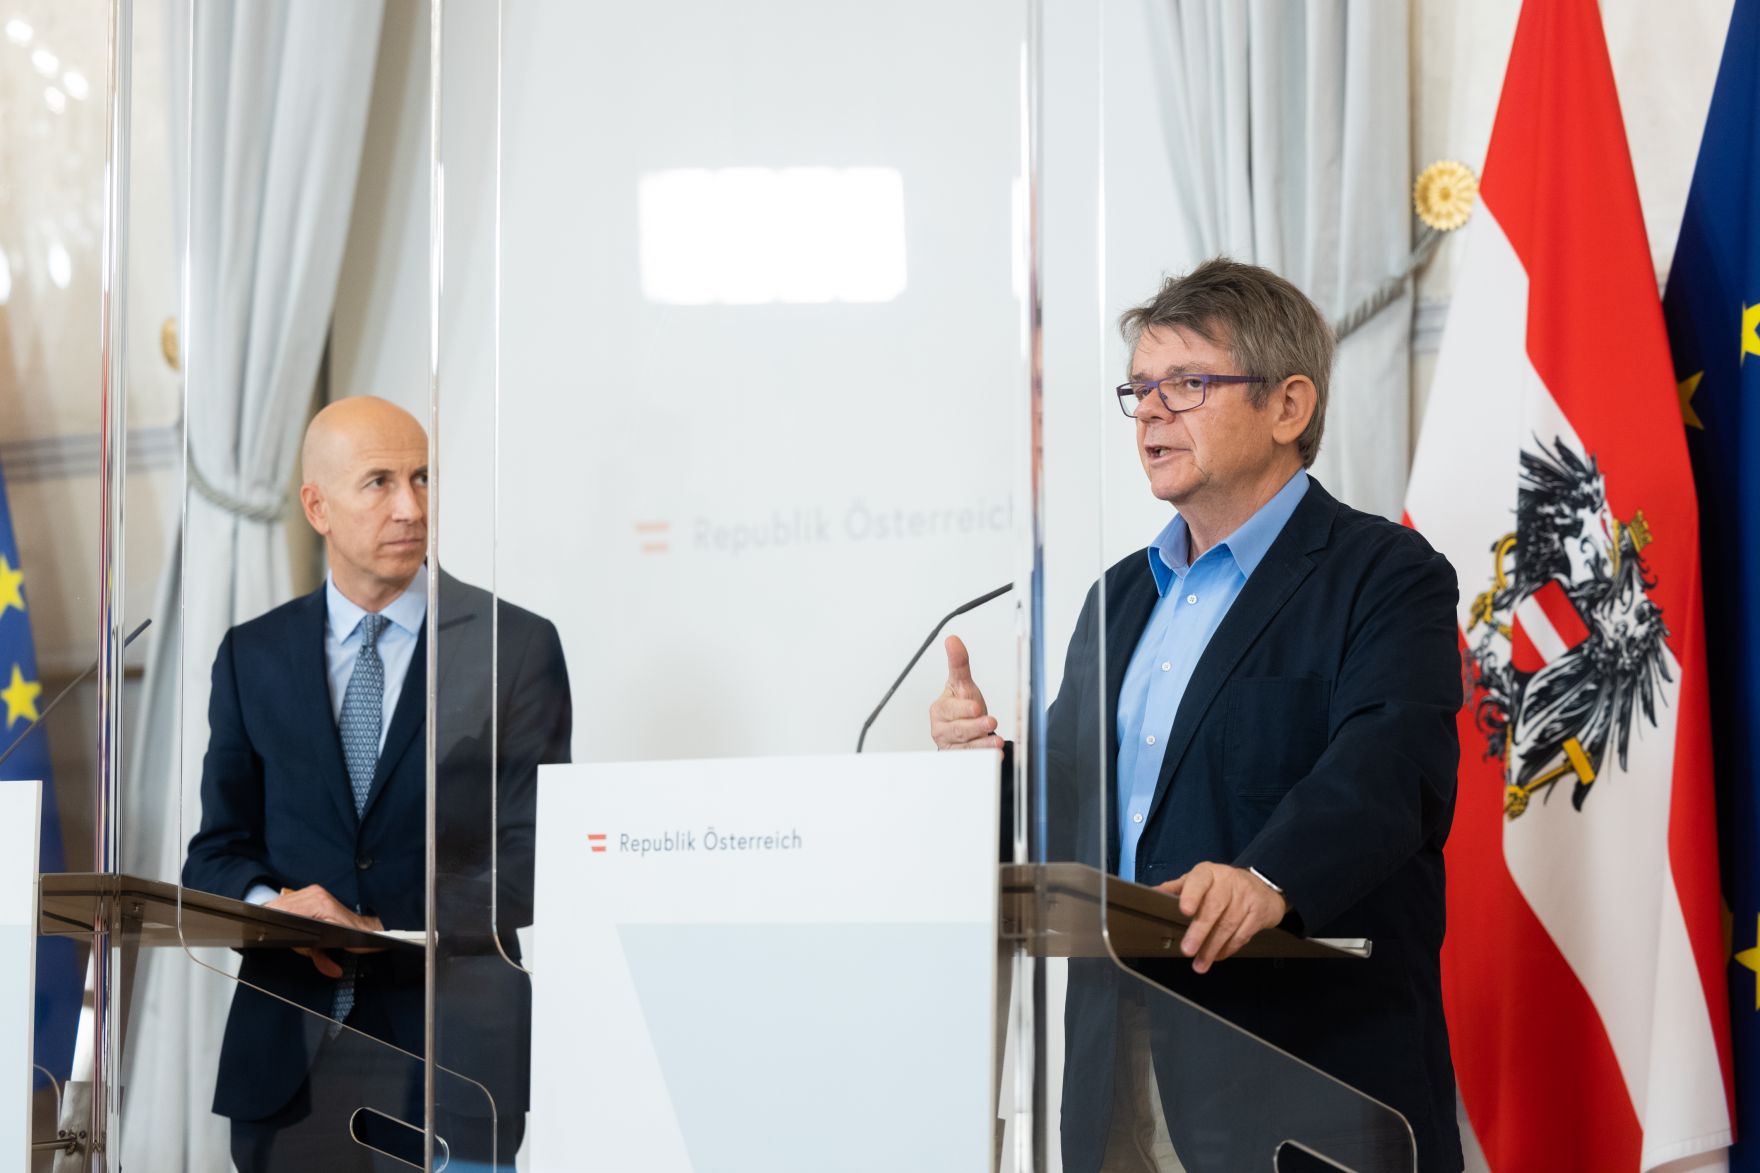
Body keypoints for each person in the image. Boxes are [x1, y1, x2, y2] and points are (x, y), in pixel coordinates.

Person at [932, 259, 1462, 1171]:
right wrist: (988, 767)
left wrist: (1268, 872)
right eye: (1139, 388)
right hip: (1112, 1065)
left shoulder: (1385, 575)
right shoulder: (1120, 598)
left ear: (1288, 406)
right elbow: (1078, 795)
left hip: (1297, 1070)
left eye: (1185, 384)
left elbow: (1388, 765)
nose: (1149, 412)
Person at [183, 395, 572, 1172]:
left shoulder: (514, 647)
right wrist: (277, 908)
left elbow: (536, 858)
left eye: (423, 478)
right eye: (380, 482)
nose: (411, 506)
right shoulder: (251, 655)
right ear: (316, 504)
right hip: (285, 1065)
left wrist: (374, 924)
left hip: (453, 1061)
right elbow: (216, 854)